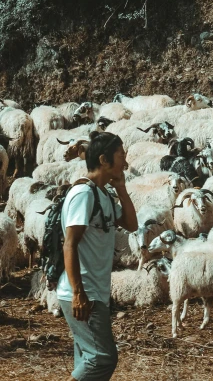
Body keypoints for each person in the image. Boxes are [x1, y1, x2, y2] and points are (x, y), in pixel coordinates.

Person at [57, 131, 138, 381]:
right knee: (101, 358)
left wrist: (122, 189)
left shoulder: (102, 194)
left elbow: (131, 224)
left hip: (94, 290)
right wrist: (79, 293)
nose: (125, 162)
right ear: (104, 160)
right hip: (83, 292)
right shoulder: (83, 195)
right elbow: (70, 245)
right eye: (121, 156)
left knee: (87, 358)